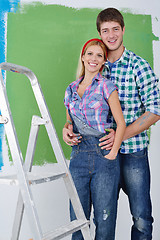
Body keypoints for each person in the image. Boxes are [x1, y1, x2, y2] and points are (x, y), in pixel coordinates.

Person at [96, 8, 160, 240]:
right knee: (103, 216)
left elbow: (156, 109)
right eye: (105, 30)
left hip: (133, 154)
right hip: (102, 153)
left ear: (123, 30)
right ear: (100, 34)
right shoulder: (96, 65)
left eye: (115, 29)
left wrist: (121, 135)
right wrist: (68, 125)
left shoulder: (138, 66)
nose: (111, 35)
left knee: (142, 217)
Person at [63, 38, 126, 240]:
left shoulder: (107, 86)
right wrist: (66, 130)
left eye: (99, 55)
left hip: (103, 155)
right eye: (90, 53)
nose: (94, 58)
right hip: (78, 156)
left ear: (103, 62)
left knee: (104, 220)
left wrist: (112, 153)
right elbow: (69, 123)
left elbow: (121, 123)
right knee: (78, 220)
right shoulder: (71, 90)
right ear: (83, 57)